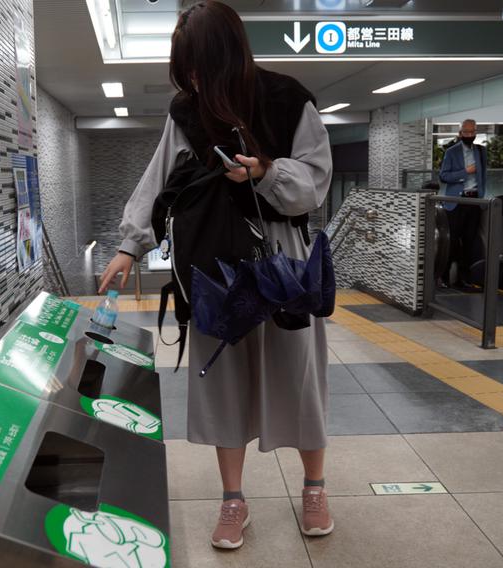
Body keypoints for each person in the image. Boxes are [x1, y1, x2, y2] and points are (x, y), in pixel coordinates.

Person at [97, 1, 333, 551]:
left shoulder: (288, 99)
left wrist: (267, 171)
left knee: (297, 375)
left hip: (282, 258)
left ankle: (315, 487)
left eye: (198, 67)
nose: (194, 80)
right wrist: (129, 247)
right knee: (222, 379)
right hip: (212, 262)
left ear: (223, 54)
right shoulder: (187, 111)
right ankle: (233, 500)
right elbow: (158, 182)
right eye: (187, 73)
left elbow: (316, 180)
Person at [439, 119, 487, 286]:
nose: (470, 135)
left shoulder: (481, 152)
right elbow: (443, 176)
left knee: (470, 241)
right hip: (455, 202)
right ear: (460, 133)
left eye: (472, 132)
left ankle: (464, 279)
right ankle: (444, 277)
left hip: (473, 201)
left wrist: (482, 196)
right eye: (466, 132)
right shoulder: (451, 152)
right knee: (452, 241)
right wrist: (465, 172)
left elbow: (483, 176)